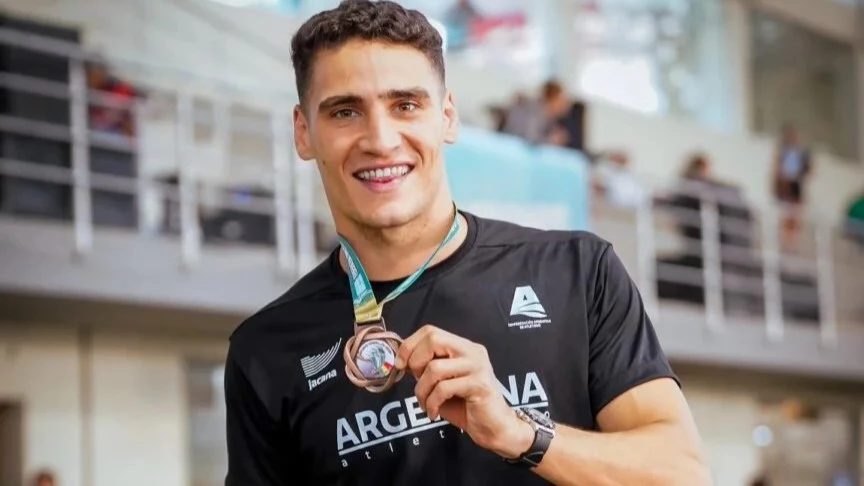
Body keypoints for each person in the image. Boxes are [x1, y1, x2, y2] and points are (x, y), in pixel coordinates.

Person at [224, 2, 709, 485]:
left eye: (406, 105)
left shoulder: (577, 272)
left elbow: (682, 474)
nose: (380, 139)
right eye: (345, 111)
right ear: (304, 132)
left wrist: (521, 433)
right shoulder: (266, 350)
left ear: (448, 117)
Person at [772, 124, 812, 250]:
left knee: (797, 211)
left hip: (796, 182)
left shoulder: (801, 153)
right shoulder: (783, 151)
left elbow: (808, 169)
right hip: (786, 182)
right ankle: (785, 238)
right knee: (788, 211)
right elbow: (779, 168)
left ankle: (793, 238)